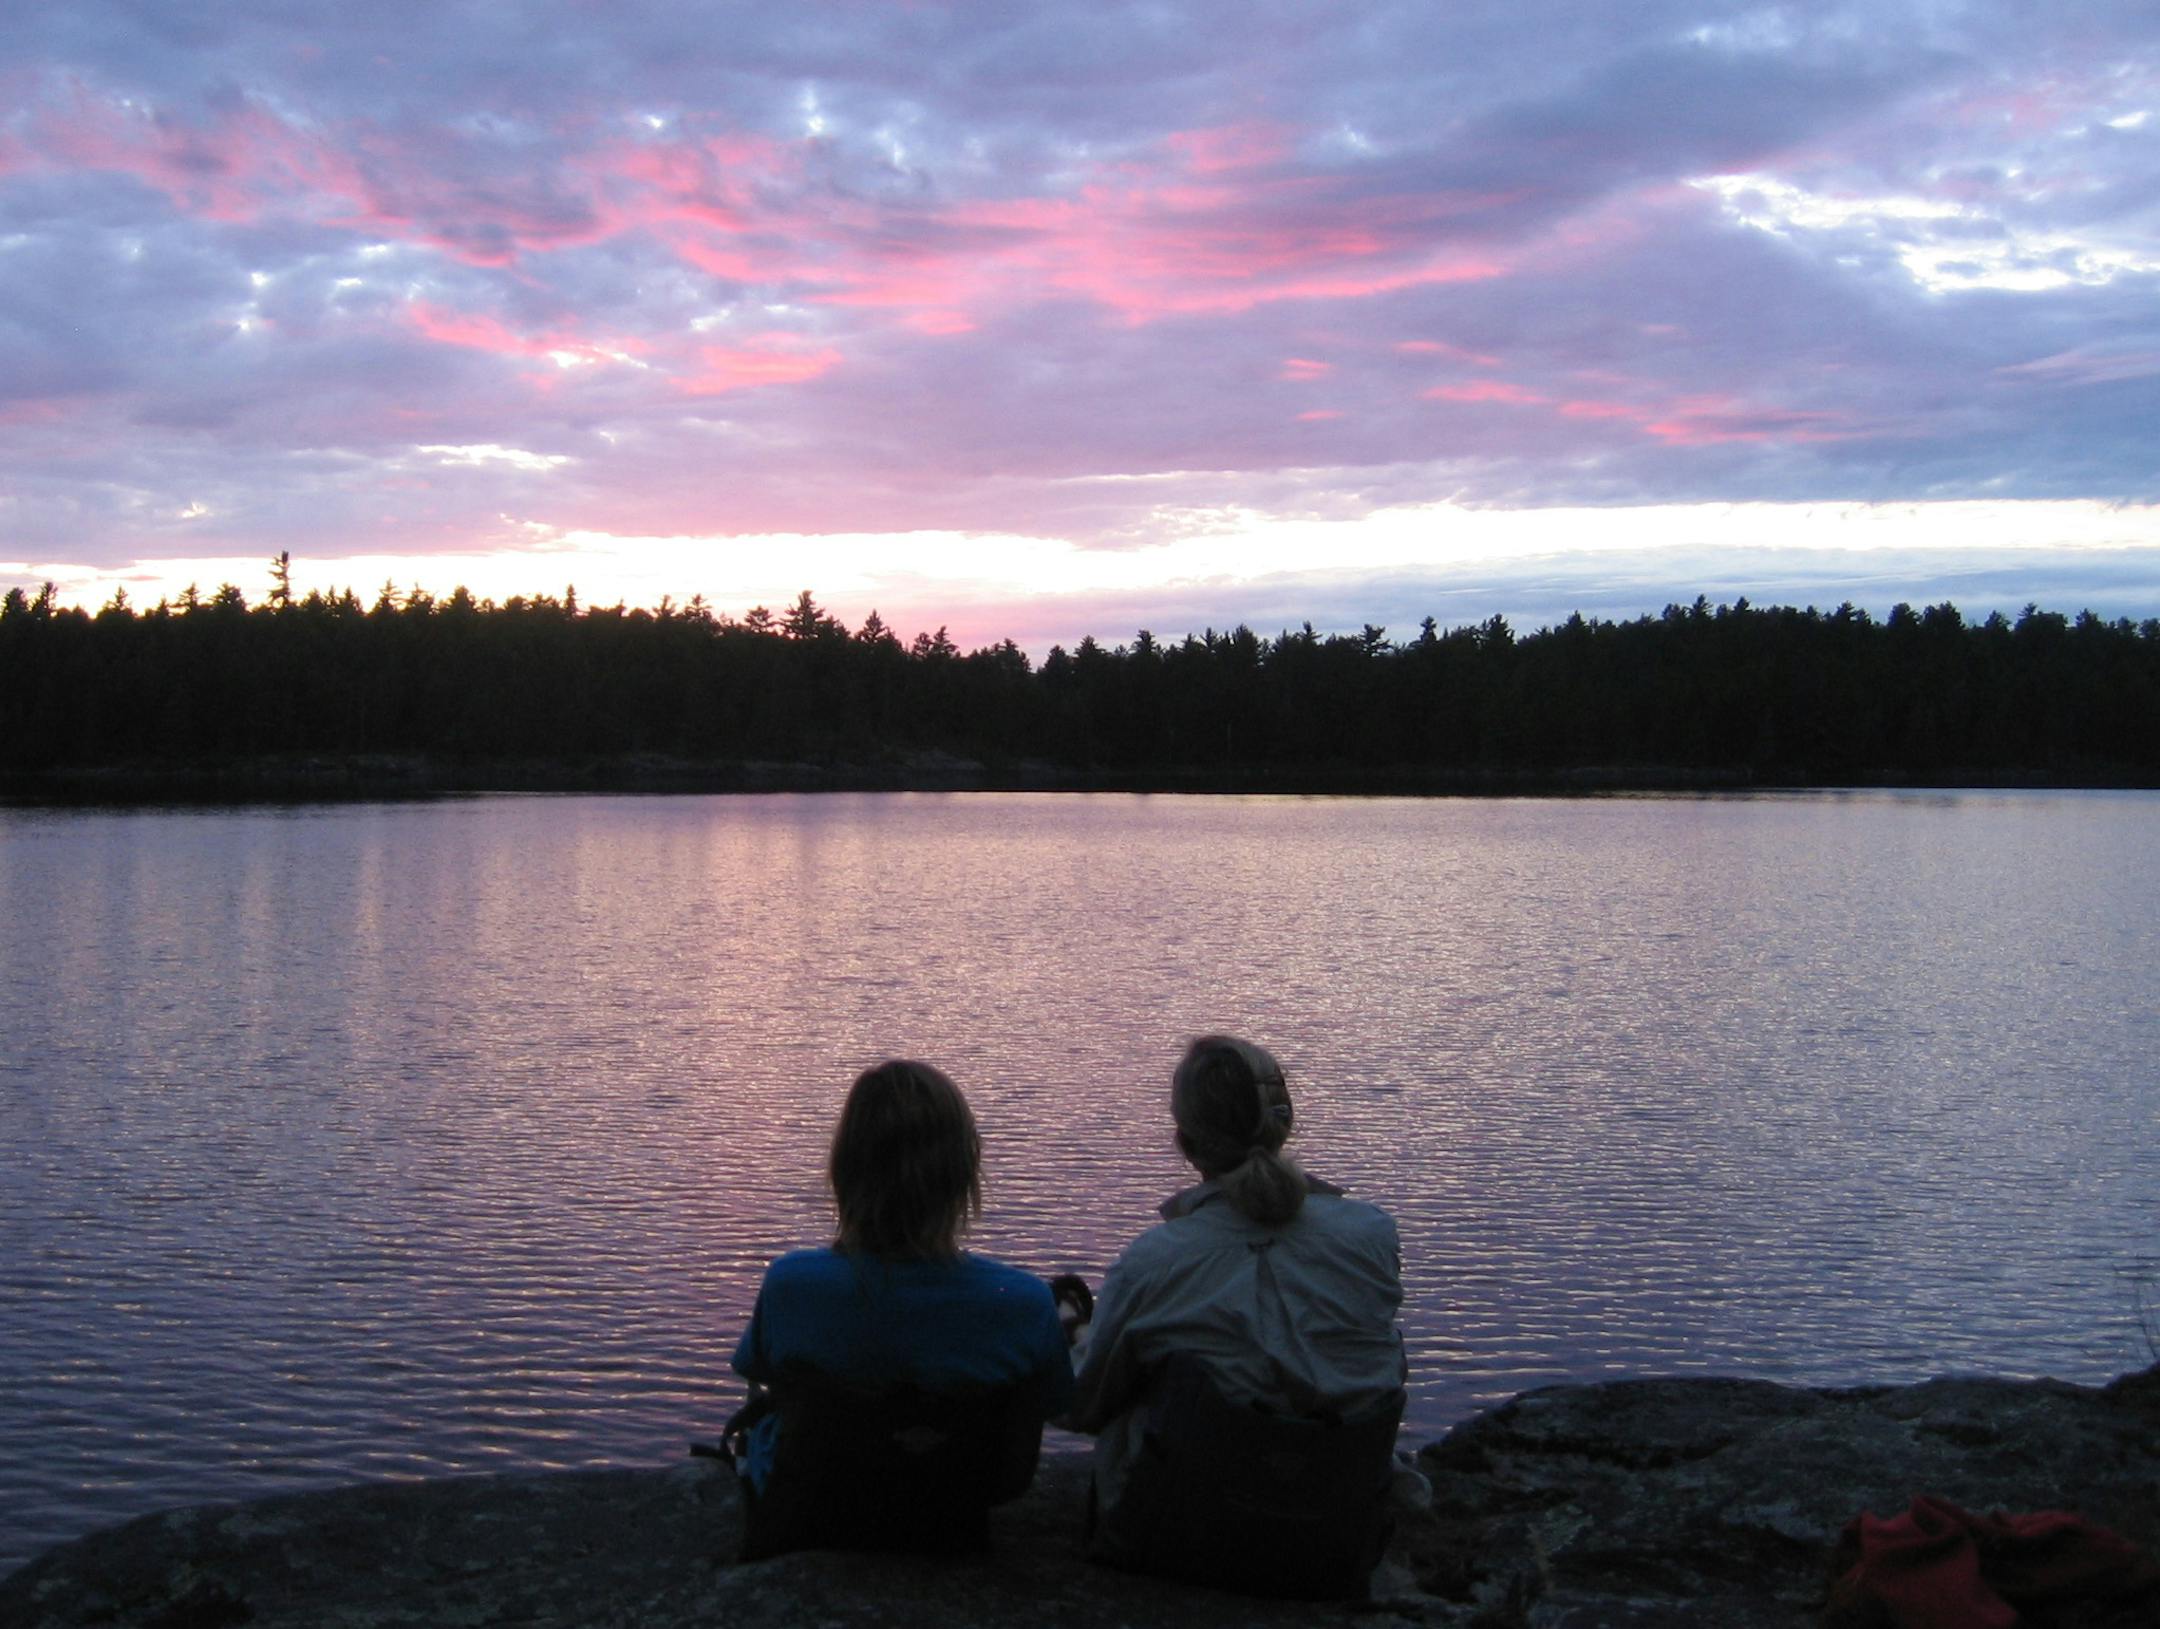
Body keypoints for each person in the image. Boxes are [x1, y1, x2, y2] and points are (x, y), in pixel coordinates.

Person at [1065, 1035, 1406, 1597]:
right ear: (1284, 1124)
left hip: (1184, 1536)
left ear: (1185, 1140)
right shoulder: (1372, 1234)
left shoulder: (1156, 1260)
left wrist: (1076, 1335)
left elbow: (1083, 1406)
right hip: (1334, 1534)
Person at [728, 1059, 1075, 1556]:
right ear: (963, 1174)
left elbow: (759, 1373)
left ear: (844, 1170)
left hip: (819, 1503)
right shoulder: (1025, 1301)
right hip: (957, 1506)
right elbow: (1043, 1427)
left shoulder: (792, 1283)